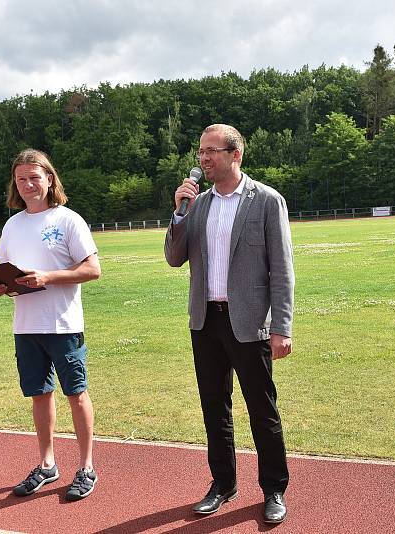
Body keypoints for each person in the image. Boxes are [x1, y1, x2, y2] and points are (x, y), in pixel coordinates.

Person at [164, 124, 294, 524]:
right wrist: (178, 212)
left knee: (262, 409)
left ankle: (273, 489)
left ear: (235, 154)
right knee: (214, 408)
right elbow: (174, 257)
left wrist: (282, 326)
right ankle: (222, 484)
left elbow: (282, 269)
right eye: (200, 151)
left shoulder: (267, 201)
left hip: (250, 323)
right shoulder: (197, 204)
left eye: (210, 151)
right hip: (206, 322)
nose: (202, 159)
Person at [0, 148, 101, 502]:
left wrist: (47, 277)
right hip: (26, 325)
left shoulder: (68, 220)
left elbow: (92, 270)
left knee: (76, 394)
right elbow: (7, 273)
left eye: (34, 177)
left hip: (63, 325)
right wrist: (1, 287)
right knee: (39, 395)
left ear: (50, 179)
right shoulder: (13, 224)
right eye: (21, 179)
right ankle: (48, 464)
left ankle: (86, 467)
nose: (28, 184)